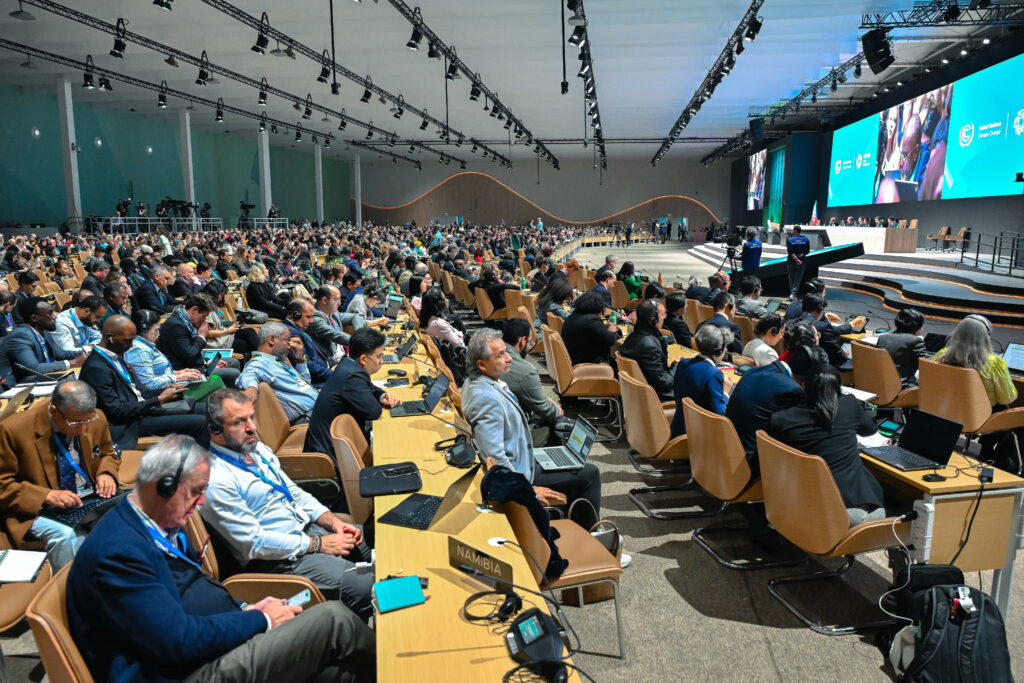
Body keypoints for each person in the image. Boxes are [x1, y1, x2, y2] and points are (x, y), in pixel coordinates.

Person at [66, 435, 375, 683]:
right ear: (162, 486)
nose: (201, 501)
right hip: (184, 672)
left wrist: (245, 609)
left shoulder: (158, 522)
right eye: (196, 491)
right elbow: (177, 641)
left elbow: (192, 592)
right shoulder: (117, 552)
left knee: (339, 671)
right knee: (332, 619)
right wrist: (261, 620)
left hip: (208, 644)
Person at [201, 389, 374, 620]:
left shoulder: (256, 449)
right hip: (280, 560)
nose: (252, 427)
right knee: (366, 585)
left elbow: (294, 493)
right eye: (239, 422)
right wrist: (317, 544)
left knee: (380, 539)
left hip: (308, 532)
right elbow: (253, 543)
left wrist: (333, 523)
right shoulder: (215, 479)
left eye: (252, 417)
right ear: (215, 430)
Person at [462, 329, 604, 532]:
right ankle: (592, 535)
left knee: (572, 466)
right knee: (590, 474)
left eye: (506, 351)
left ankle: (576, 525)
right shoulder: (486, 398)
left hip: (523, 457)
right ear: (482, 365)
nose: (509, 358)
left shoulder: (478, 382)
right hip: (520, 472)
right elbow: (494, 455)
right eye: (500, 355)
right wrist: (527, 489)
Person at [0, 381, 120, 570]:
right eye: (76, 423)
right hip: (38, 509)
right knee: (65, 535)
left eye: (87, 421)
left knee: (127, 512)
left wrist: (106, 473)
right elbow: (3, 484)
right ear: (54, 411)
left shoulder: (95, 417)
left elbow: (108, 452)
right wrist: (45, 495)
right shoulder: (13, 430)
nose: (83, 429)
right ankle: (69, 585)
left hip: (87, 497)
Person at [769, 363, 887, 526]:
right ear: (838, 389)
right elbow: (870, 429)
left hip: (795, 506)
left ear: (803, 386)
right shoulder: (849, 405)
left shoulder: (781, 420)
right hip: (849, 512)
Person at [78, 315, 208, 449]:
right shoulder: (96, 368)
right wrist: (158, 399)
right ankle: (199, 460)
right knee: (200, 422)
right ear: (110, 337)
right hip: (128, 424)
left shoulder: (115, 356)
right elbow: (116, 411)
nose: (131, 346)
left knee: (206, 409)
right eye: (127, 341)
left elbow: (138, 391)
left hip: (141, 410)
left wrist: (165, 390)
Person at [933, 315, 1019, 463]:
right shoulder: (995, 363)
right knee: (1006, 409)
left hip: (944, 412)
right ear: (986, 337)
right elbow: (1007, 398)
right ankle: (989, 455)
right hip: (978, 418)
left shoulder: (940, 356)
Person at [304, 328, 400, 460]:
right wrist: (377, 400)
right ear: (364, 359)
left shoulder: (347, 364)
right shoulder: (353, 376)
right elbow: (374, 412)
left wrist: (382, 395)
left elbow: (367, 386)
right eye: (379, 357)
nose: (381, 361)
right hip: (332, 452)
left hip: (333, 439)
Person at [237, 321, 319, 424]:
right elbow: (250, 372)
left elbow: (306, 384)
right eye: (287, 340)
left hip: (317, 408)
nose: (290, 346)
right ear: (271, 339)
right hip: (308, 418)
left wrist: (300, 359)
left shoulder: (279, 361)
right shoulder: (261, 362)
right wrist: (251, 388)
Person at [501, 319, 563, 445]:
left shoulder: (486, 356)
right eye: (530, 343)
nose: (530, 347)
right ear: (522, 341)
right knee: (557, 424)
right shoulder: (525, 370)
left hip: (487, 430)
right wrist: (557, 410)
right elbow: (547, 411)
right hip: (508, 438)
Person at [157, 293, 240, 387]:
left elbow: (192, 353)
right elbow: (189, 356)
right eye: (204, 316)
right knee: (234, 373)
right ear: (194, 310)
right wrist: (201, 337)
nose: (204, 320)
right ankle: (226, 395)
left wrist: (208, 362)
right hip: (186, 373)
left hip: (194, 364)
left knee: (234, 362)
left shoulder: (185, 321)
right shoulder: (176, 326)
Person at [5, 297, 86, 384]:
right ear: (34, 318)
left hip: (43, 380)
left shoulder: (44, 331)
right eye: (50, 313)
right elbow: (33, 368)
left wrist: (87, 352)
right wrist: (70, 363)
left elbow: (61, 354)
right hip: (22, 385)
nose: (55, 316)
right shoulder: (20, 336)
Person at [670, 325, 733, 438]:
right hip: (699, 438)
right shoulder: (713, 374)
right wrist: (725, 393)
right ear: (719, 351)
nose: (726, 350)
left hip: (678, 429)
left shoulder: (683, 364)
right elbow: (719, 415)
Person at [124, 310, 203, 397]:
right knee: (207, 388)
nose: (158, 334)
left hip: (167, 387)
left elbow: (158, 372)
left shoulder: (145, 345)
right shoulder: (139, 350)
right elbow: (149, 384)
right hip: (159, 395)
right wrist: (177, 377)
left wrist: (178, 373)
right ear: (144, 329)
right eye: (156, 330)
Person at [619, 299, 675, 399]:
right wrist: (676, 368)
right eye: (662, 314)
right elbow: (662, 383)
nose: (664, 317)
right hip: (655, 397)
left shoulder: (632, 336)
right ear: (653, 319)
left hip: (637, 393)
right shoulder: (649, 346)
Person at [561, 290, 619, 366]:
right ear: (598, 308)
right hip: (587, 363)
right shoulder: (591, 320)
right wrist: (612, 329)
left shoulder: (574, 315)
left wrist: (601, 327)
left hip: (574, 358)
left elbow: (588, 331)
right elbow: (611, 340)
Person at [283, 298, 334, 386]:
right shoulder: (290, 333)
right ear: (296, 315)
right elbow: (308, 365)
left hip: (327, 368)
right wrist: (332, 374)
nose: (311, 321)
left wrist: (333, 365)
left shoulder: (297, 329)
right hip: (320, 381)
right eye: (308, 317)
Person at [876, 307, 927, 386]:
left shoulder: (883, 337)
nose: (922, 329)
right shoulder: (915, 341)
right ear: (917, 327)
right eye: (921, 326)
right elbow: (926, 366)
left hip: (880, 382)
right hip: (903, 386)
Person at [309, 284, 359, 361]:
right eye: (337, 299)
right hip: (331, 362)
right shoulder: (314, 318)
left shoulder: (332, 313)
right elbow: (335, 334)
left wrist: (360, 334)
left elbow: (354, 317)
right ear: (324, 300)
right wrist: (360, 342)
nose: (339, 303)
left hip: (345, 355)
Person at [799, 293, 850, 369]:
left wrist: (825, 316)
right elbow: (838, 356)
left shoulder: (791, 322)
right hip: (818, 367)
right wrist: (843, 353)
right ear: (820, 310)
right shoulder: (824, 327)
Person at [786, 225, 810, 299]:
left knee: (791, 278)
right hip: (801, 262)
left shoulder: (789, 239)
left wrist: (796, 259)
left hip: (791, 262)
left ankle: (792, 294)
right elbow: (807, 251)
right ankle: (793, 294)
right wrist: (799, 258)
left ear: (795, 231)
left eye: (793, 230)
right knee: (797, 279)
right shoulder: (806, 239)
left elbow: (790, 252)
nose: (792, 231)